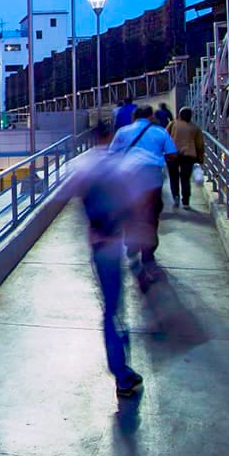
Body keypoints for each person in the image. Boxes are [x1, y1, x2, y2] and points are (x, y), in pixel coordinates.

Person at [79, 148, 145, 397]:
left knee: (113, 308)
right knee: (113, 311)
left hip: (100, 248)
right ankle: (121, 374)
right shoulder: (119, 169)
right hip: (110, 248)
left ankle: (122, 369)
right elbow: (130, 207)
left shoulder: (88, 169)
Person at [108, 105, 177, 283]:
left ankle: (131, 245)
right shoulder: (160, 132)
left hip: (127, 177)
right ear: (151, 117)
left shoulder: (123, 131)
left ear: (134, 117)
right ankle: (148, 254)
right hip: (151, 177)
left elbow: (112, 155)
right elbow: (172, 154)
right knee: (151, 216)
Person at [167, 107, 206, 208]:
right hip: (189, 156)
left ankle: (175, 196)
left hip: (173, 154)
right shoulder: (195, 128)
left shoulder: (173, 124)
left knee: (173, 177)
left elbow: (165, 137)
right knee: (185, 179)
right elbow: (200, 145)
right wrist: (200, 158)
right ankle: (186, 202)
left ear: (179, 114)